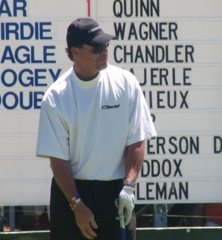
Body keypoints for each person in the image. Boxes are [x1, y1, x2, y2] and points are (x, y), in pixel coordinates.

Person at [36, 18, 157, 240]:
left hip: (116, 192)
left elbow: (137, 139)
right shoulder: (55, 97)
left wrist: (129, 186)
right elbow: (58, 160)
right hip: (72, 194)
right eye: (97, 47)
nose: (104, 51)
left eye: (106, 46)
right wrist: (77, 205)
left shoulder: (126, 82)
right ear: (76, 52)